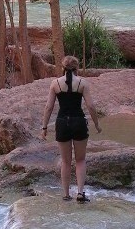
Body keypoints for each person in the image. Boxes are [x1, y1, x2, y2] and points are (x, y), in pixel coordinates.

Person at [41, 55, 102, 202]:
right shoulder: (82, 83)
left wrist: (44, 127)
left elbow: (49, 107)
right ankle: (80, 193)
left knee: (65, 161)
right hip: (79, 121)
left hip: (62, 123)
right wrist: (97, 124)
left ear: (62, 68)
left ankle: (66, 194)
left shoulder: (55, 83)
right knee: (80, 160)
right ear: (77, 68)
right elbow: (91, 106)